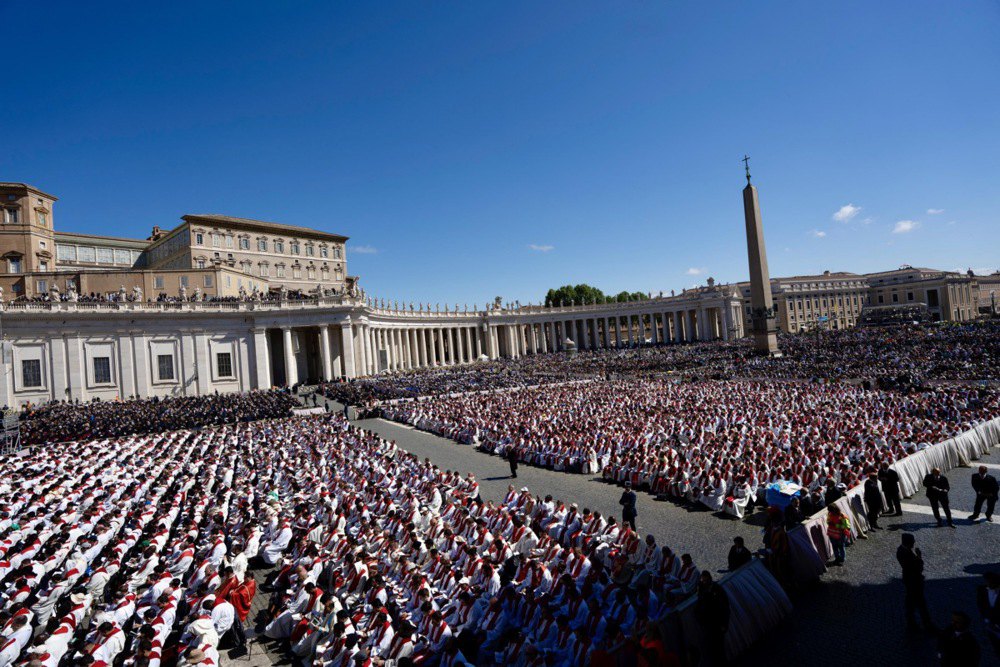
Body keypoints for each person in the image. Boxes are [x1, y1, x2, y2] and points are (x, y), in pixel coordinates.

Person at [896, 533, 933, 631]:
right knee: (919, 603)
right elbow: (918, 567)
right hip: (913, 581)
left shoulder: (902, 550)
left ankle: (914, 622)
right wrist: (919, 556)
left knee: (912, 602)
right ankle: (925, 623)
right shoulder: (906, 553)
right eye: (912, 542)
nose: (914, 543)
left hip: (910, 580)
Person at [693, 570, 729, 667]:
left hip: (716, 625)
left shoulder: (716, 590)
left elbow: (725, 607)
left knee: (719, 650)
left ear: (710, 579)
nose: (704, 583)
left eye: (706, 580)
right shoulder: (703, 592)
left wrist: (724, 624)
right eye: (703, 581)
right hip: (708, 626)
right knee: (712, 650)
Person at [976, 572, 1000, 658]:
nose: (987, 584)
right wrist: (987, 619)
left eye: (990, 582)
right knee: (993, 639)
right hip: (990, 624)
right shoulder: (981, 590)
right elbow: (981, 606)